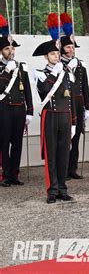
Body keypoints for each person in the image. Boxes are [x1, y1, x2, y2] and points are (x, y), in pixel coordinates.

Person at [33, 14, 77, 203]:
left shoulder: (66, 73)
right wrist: (54, 73)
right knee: (51, 154)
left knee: (63, 153)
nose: (56, 57)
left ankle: (62, 189)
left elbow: (72, 98)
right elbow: (43, 91)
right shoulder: (41, 73)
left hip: (65, 117)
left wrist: (73, 120)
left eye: (58, 54)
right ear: (46, 56)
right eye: (53, 54)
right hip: (50, 115)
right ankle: (52, 190)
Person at [0, 18, 34, 187]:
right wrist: (7, 71)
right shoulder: (1, 67)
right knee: (4, 142)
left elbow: (27, 89)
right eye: (7, 48)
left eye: (12, 48)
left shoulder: (22, 66)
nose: (11, 51)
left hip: (19, 109)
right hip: (4, 109)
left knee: (18, 143)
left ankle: (14, 173)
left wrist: (30, 111)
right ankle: (5, 174)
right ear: (1, 51)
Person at [59, 13, 89, 180]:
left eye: (72, 47)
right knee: (65, 138)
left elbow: (85, 86)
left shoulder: (80, 64)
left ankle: (73, 168)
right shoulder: (58, 65)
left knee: (76, 136)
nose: (71, 50)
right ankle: (63, 169)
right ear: (62, 49)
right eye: (68, 47)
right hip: (65, 104)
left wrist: (88, 107)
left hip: (78, 103)